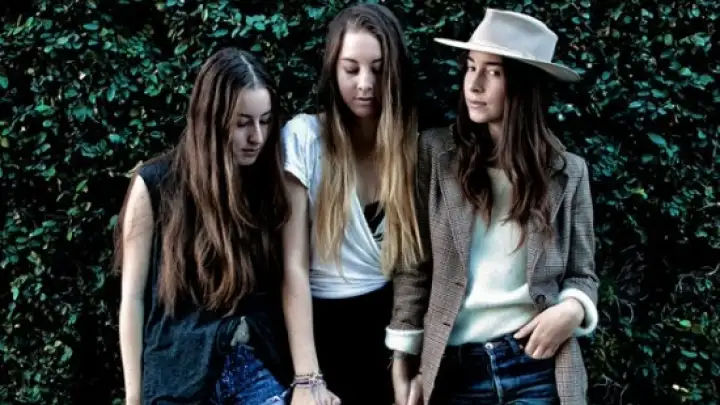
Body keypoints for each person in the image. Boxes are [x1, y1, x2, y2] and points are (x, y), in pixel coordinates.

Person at [389, 9, 600, 405]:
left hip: (538, 367)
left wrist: (573, 309)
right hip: (456, 371)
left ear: (524, 85)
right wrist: (404, 361)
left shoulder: (569, 173)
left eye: (494, 72)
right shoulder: (435, 155)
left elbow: (582, 274)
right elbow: (414, 264)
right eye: (471, 67)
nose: (474, 84)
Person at [115, 47, 292, 405]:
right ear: (211, 119)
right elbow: (132, 298)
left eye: (265, 120)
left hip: (254, 367)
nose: (257, 137)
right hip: (177, 376)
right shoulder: (155, 184)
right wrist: (134, 396)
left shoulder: (270, 185)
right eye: (242, 123)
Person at [280, 3, 423, 405]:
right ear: (333, 70)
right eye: (351, 69)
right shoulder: (304, 138)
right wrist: (307, 377)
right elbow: (292, 267)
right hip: (319, 333)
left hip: (391, 337)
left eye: (378, 69)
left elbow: (415, 268)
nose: (365, 84)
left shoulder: (412, 149)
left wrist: (406, 360)